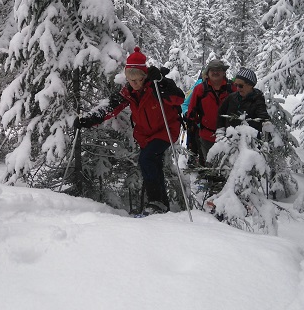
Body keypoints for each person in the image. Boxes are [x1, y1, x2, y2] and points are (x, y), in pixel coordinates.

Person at [76, 47, 184, 215]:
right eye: (129, 78)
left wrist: (162, 81)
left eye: (137, 78)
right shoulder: (129, 92)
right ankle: (161, 206)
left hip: (166, 130)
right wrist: (89, 119)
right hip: (146, 136)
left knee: (147, 158)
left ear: (144, 76)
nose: (133, 82)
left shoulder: (156, 85)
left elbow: (179, 98)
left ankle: (156, 203)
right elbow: (110, 107)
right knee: (152, 162)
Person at [185, 59, 235, 167]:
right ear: (208, 73)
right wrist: (193, 124)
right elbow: (192, 110)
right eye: (212, 70)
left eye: (219, 70)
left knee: (227, 167)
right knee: (210, 167)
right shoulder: (200, 89)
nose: (215, 72)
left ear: (224, 72)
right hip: (207, 135)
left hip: (229, 136)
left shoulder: (232, 88)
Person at [217, 68, 270, 133]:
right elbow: (221, 113)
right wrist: (220, 130)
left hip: (248, 140)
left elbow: (263, 119)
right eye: (236, 85)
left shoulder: (257, 100)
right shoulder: (232, 97)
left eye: (240, 86)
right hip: (230, 138)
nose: (237, 88)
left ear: (250, 85)